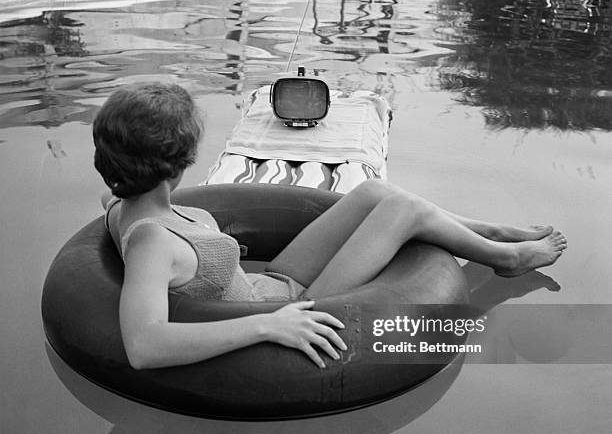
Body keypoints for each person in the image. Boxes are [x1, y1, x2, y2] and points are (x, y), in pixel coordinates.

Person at [94, 83, 567, 370]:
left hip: (269, 283)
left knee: (374, 194)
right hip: (290, 306)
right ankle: (505, 259)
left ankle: (493, 232)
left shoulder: (120, 204)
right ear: (181, 164)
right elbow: (144, 346)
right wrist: (266, 326)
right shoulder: (152, 242)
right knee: (404, 212)